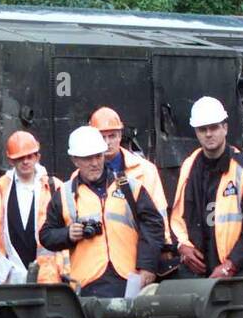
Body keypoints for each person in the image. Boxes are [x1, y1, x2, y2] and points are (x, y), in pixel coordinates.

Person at [39, 126, 165, 299]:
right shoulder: (64, 194)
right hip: (88, 285)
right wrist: (68, 234)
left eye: (98, 156)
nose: (95, 163)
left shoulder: (130, 187)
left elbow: (153, 225)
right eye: (87, 158)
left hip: (129, 279)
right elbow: (46, 235)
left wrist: (148, 266)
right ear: (75, 160)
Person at [168, 96, 243, 284]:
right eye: (202, 129)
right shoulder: (189, 167)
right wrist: (182, 245)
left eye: (214, 127)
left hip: (240, 270)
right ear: (196, 132)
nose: (208, 134)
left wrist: (230, 265)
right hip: (198, 268)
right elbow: (178, 215)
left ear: (225, 128)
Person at [0, 131, 65, 284]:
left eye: (29, 156)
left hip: (49, 276)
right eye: (20, 158)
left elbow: (66, 234)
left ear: (37, 157)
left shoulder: (56, 188)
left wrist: (66, 271)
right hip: (9, 275)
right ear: (11, 161)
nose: (25, 161)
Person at [89, 107, 169, 226]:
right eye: (102, 137)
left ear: (120, 136)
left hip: (137, 242)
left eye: (112, 136)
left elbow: (159, 212)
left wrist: (164, 242)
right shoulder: (82, 175)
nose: (107, 142)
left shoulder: (145, 170)